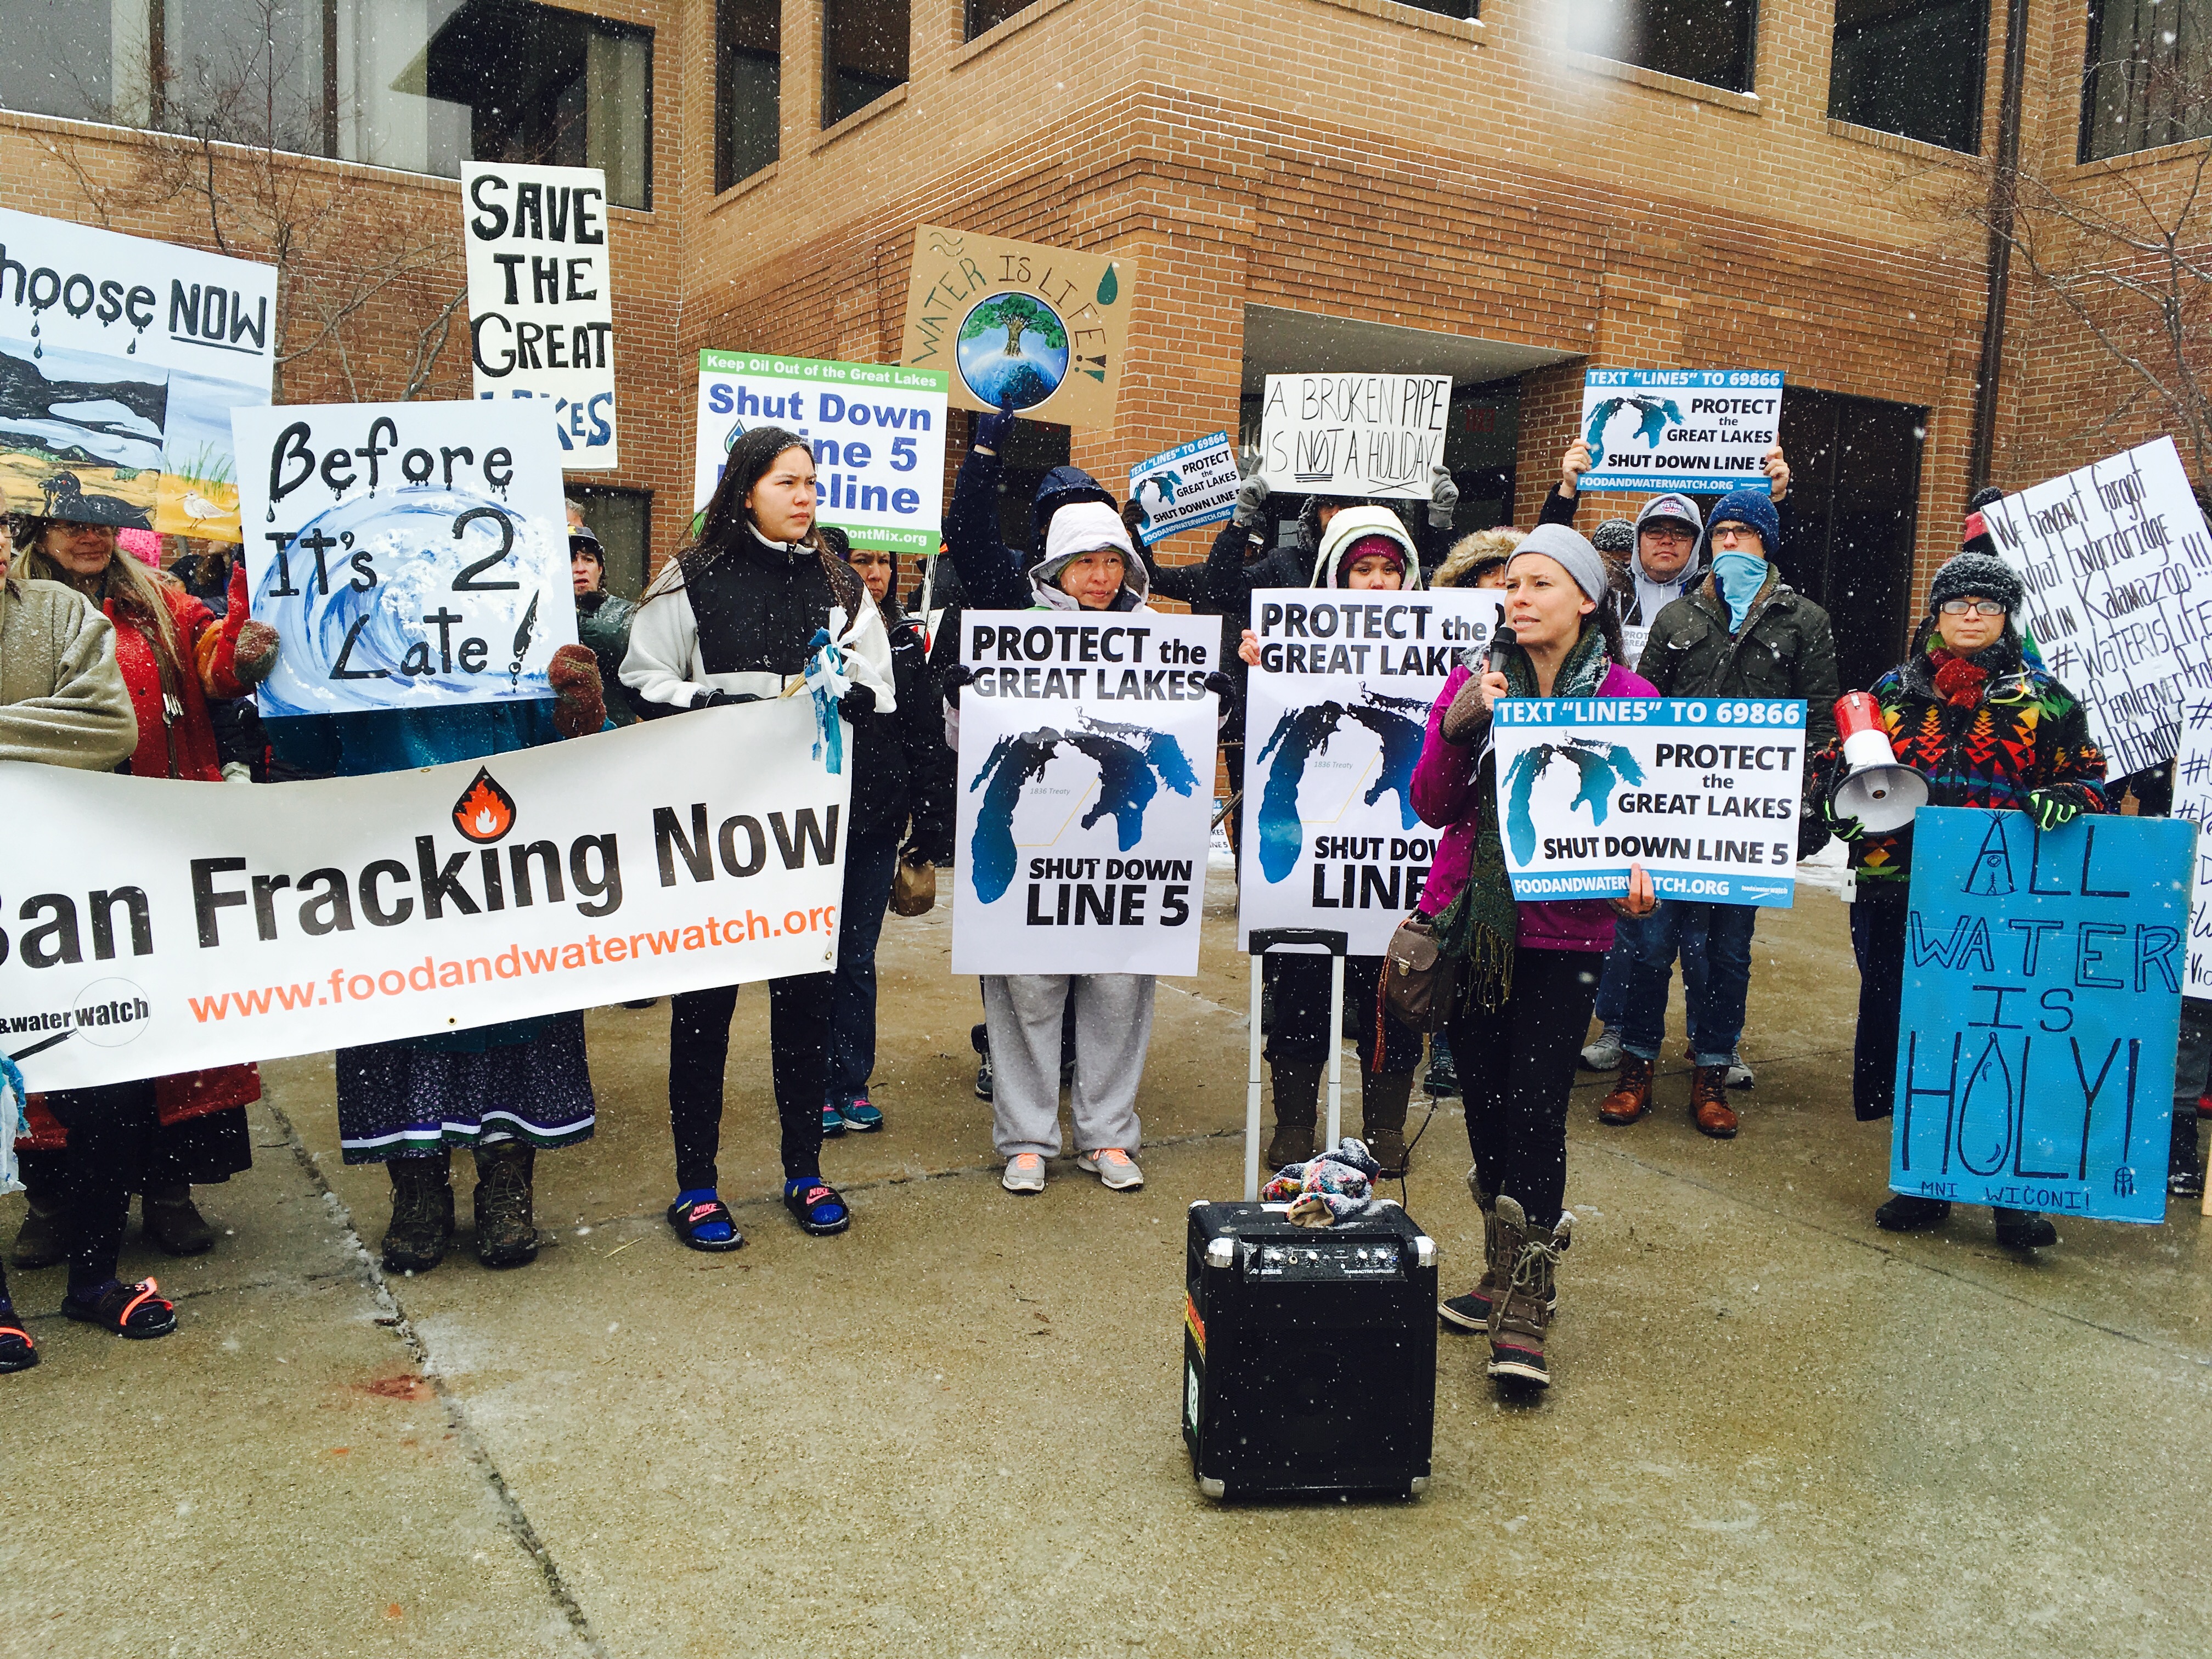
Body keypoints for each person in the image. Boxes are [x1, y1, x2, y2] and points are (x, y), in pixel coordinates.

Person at [940, 405, 1233, 1197]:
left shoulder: (1159, 637)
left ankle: (1108, 1134)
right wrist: (968, 700)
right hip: (1035, 844)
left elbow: (1186, 752)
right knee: (1028, 992)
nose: (1101, 576)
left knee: (1115, 992)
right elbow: (971, 751)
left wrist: (1218, 703)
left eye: (1113, 560)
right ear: (1055, 569)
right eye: (1085, 561)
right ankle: (1027, 1137)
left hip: (1120, 853)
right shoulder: (1015, 628)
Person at [623, 426, 892, 1248]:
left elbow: (875, 681)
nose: (807, 496)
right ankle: (696, 1185)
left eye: (812, 482)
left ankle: (804, 1170)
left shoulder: (841, 583)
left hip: (807, 836)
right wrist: (726, 704)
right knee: (704, 1010)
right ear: (746, 490)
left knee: (804, 1006)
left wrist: (854, 699)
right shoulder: (690, 577)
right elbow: (643, 679)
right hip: (712, 832)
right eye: (788, 482)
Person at [1410, 523, 1658, 1389]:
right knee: (1481, 1101)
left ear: (1587, 600)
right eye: (1512, 585)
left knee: (1536, 1107)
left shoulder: (1631, 694)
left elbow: (1655, 817)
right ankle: (1497, 1258)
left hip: (1569, 936)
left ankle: (1529, 1297)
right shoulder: (1474, 683)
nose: (1518, 597)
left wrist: (1646, 871)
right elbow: (1433, 806)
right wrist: (1460, 724)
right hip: (1474, 925)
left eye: (1540, 584)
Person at [1819, 550, 2107, 1250]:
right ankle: (1925, 1181)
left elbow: (2093, 779)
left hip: (2005, 902)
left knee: (2000, 1039)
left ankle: (2009, 1194)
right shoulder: (1889, 692)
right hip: (1899, 893)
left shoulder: (2047, 698)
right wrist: (1844, 803)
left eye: (1986, 603)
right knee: (1919, 1032)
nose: (1970, 615)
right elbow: (1835, 778)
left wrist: (2068, 799)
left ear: (2007, 615)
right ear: (1937, 615)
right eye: (1957, 603)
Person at [10, 516, 268, 1270]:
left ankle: (167, 1188)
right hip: (48, 849)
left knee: (165, 1017)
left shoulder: (159, 600)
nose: (90, 536)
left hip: (158, 837)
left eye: (102, 522)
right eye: (69, 523)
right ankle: (54, 1200)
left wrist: (249, 617)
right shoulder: (19, 605)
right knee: (53, 1021)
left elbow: (220, 667)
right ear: (37, 526)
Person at [1593, 487, 1838, 1138]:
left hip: (1745, 824)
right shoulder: (1679, 619)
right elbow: (1640, 712)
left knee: (1726, 953)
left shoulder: (1803, 621)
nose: (1731, 541)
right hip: (1673, 816)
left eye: (1745, 533)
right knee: (1651, 945)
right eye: (1722, 532)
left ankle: (1711, 1071)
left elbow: (1819, 723)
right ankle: (1636, 1067)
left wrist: (1802, 813)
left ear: (1768, 544)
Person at [1231, 506, 1430, 1175]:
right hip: (1313, 861)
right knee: (1301, 985)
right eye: (1361, 570)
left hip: (1395, 864)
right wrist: (1256, 667)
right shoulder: (1291, 651)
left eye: (1389, 570)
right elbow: (1252, 728)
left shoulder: (1443, 652)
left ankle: (1382, 1125)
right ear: (1333, 578)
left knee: (1394, 994)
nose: (1377, 584)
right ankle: (1293, 1120)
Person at [0, 557, 149, 1365]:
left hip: (61, 899)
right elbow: (68, 731)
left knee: (111, 1085)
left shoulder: (57, 610)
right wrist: (34, 733)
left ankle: (95, 1281)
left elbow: (107, 729)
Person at [819, 525, 951, 1138]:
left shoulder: (902, 641)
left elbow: (925, 737)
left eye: (883, 562)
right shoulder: (816, 636)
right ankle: (809, 1085)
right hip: (804, 826)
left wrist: (929, 823)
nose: (874, 572)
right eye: (859, 561)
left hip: (872, 824)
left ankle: (850, 1082)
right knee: (806, 962)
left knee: (854, 959)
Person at [569, 514, 640, 727]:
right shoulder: (542, 618)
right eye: (571, 559)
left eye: (588, 559)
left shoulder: (625, 612)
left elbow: (627, 646)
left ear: (600, 569)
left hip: (615, 739)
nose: (580, 568)